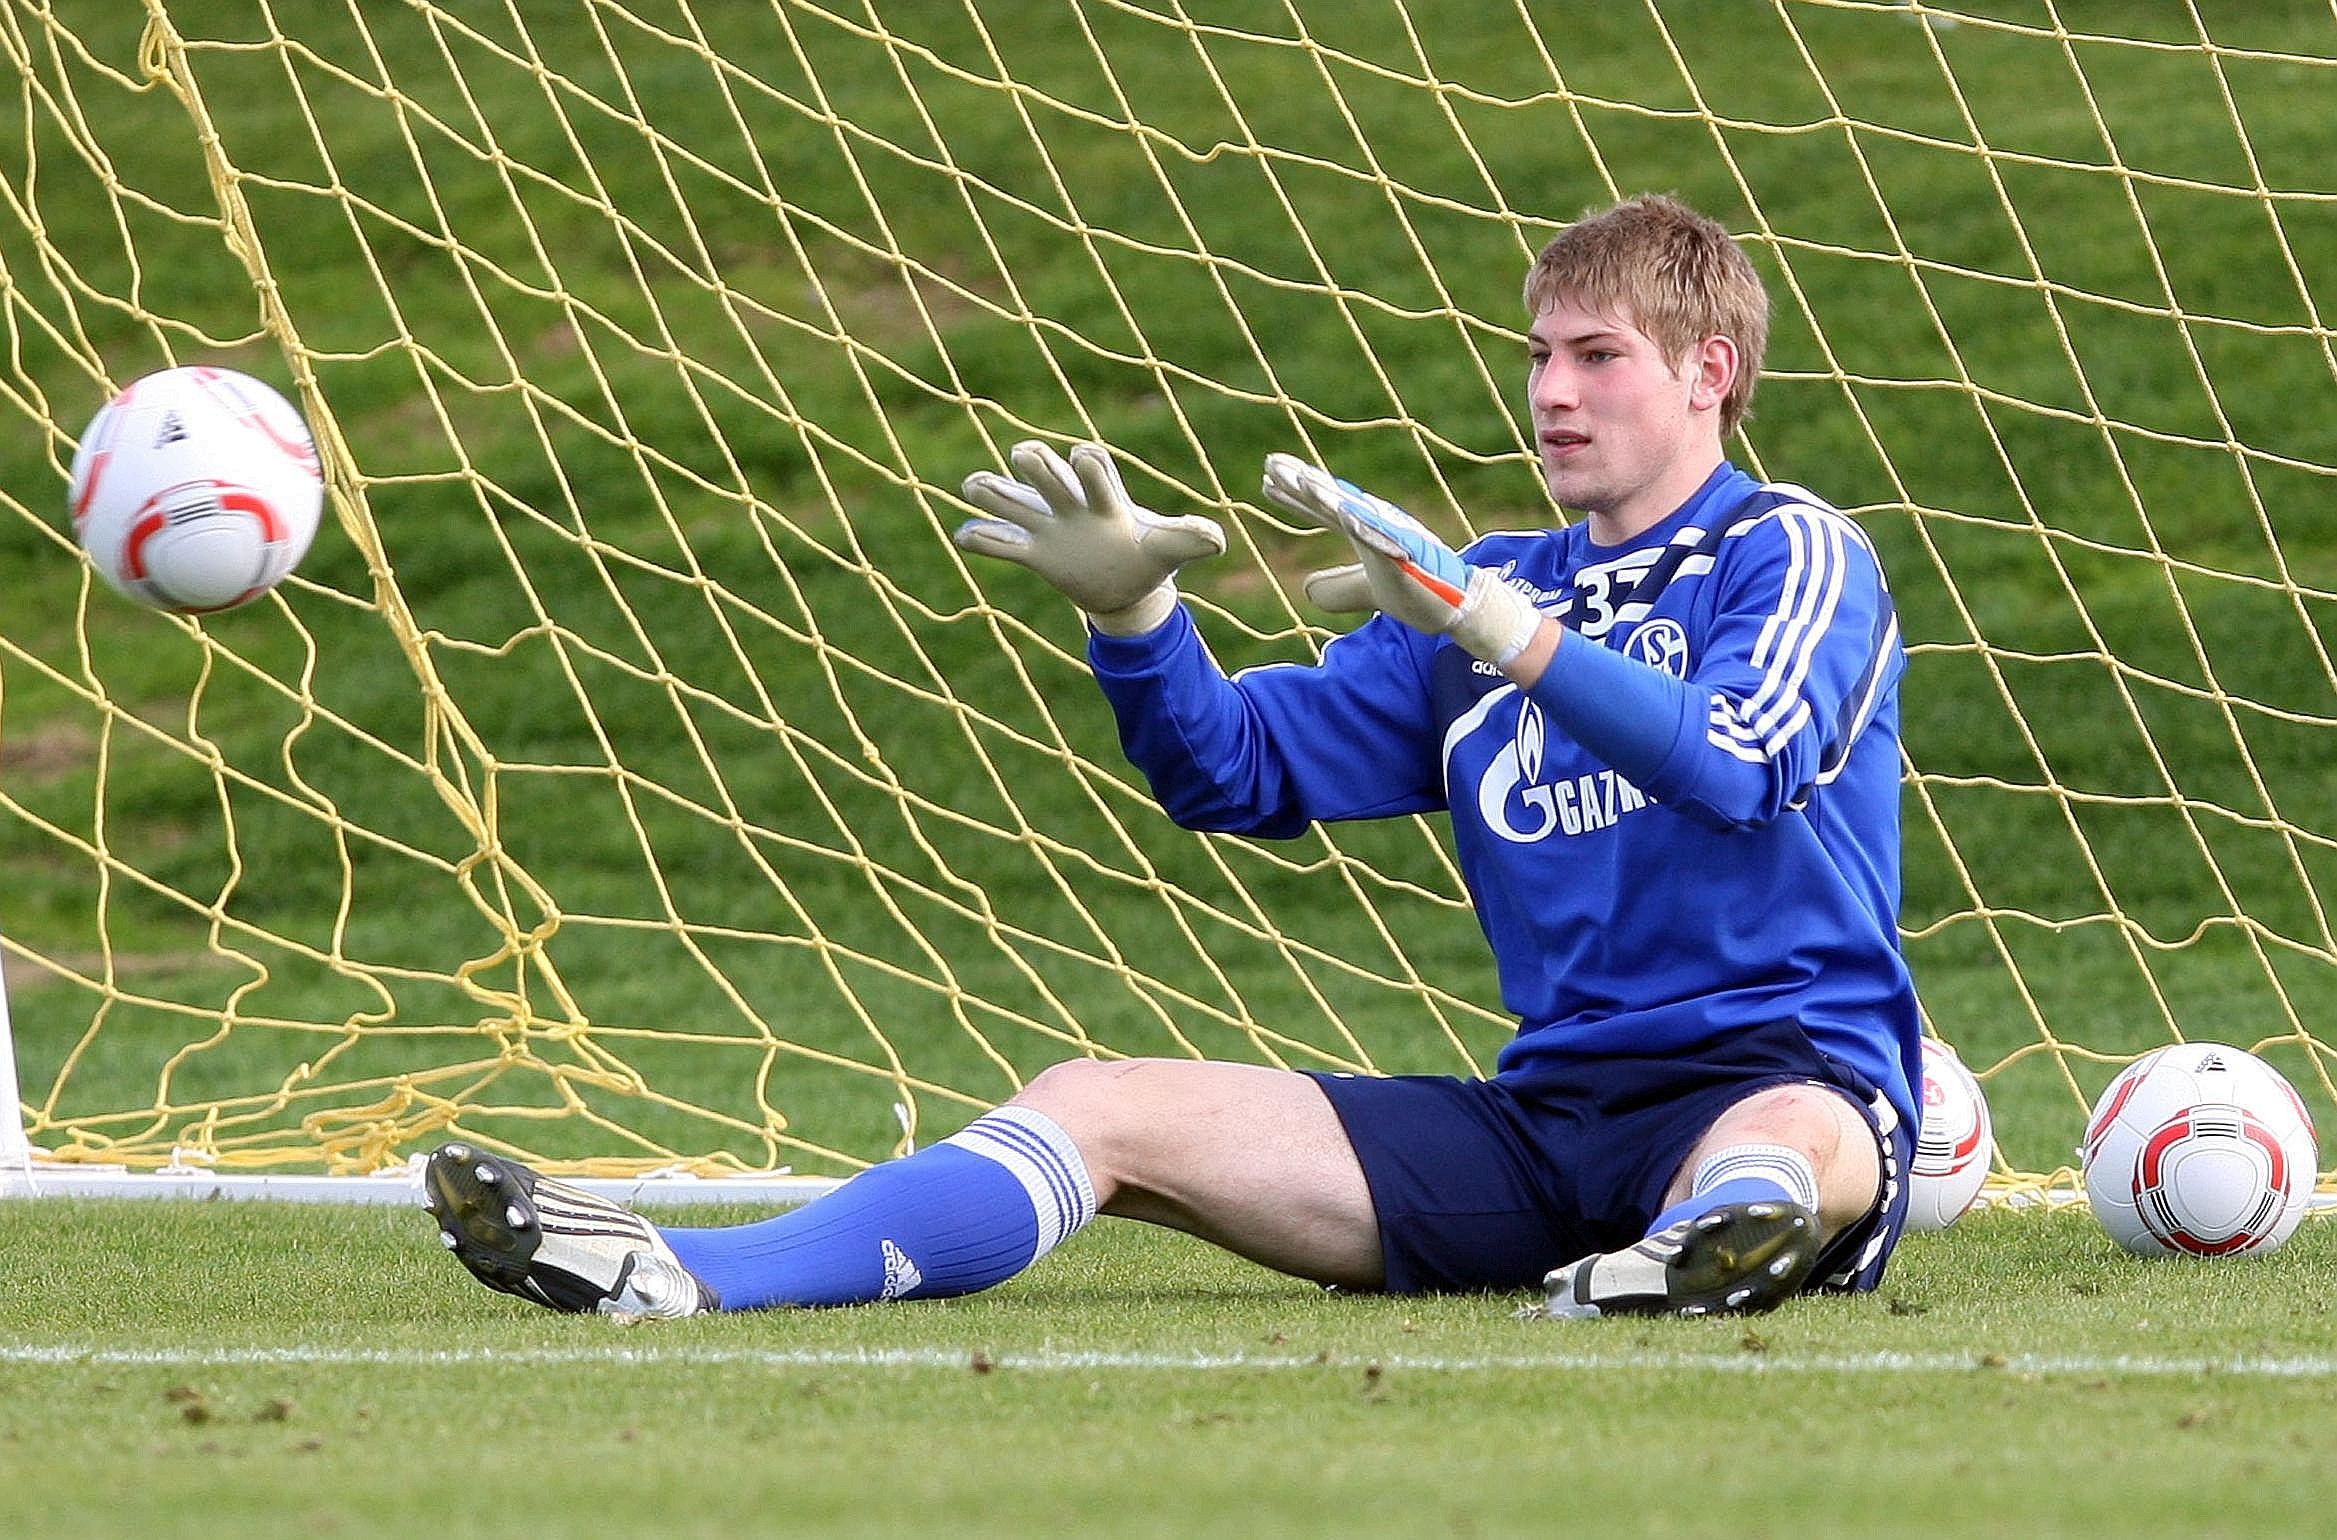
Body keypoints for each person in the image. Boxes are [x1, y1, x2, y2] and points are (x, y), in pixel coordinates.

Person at [422, 192, 1920, 1322]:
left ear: (1708, 370)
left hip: (1775, 1078)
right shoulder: (1478, 581)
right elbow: (1236, 774)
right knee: (1098, 1098)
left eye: (1596, 357)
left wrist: (1498, 631)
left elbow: (1735, 761)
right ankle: (679, 1274)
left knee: (1790, 1133)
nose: (1549, 392)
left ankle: (1707, 1251)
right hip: (1544, 1130)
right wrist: (1136, 617)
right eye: (1538, 354)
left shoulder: (1785, 550)